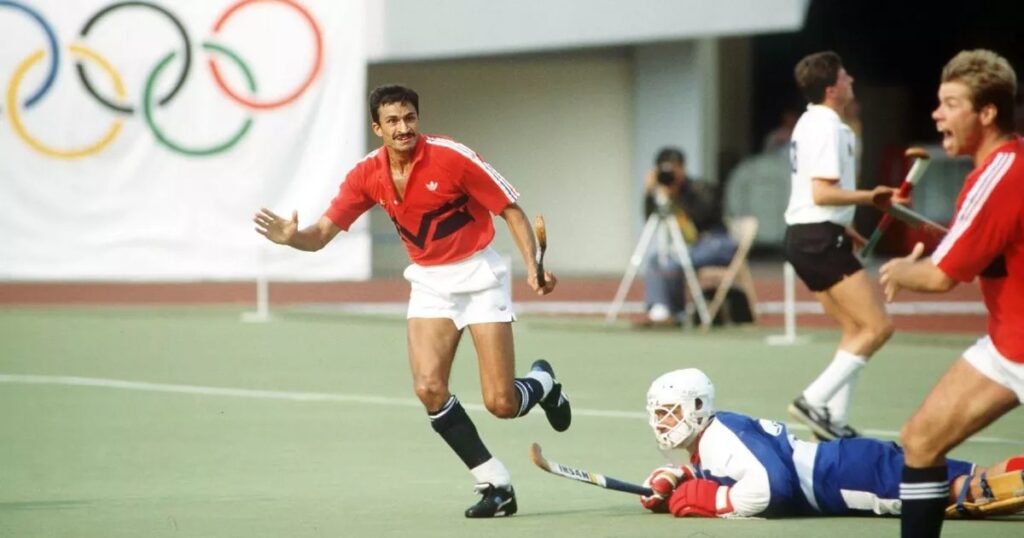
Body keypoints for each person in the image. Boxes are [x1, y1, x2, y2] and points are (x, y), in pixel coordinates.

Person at [252, 84, 572, 518]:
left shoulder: (452, 157)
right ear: (377, 128)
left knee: (501, 403)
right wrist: (293, 238)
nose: (403, 128)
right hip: (429, 283)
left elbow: (510, 211)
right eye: (392, 121)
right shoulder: (367, 174)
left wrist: (533, 267)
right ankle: (495, 484)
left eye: (409, 118)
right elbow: (321, 235)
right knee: (428, 388)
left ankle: (543, 383)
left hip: (479, 276)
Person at [878, 49, 1024, 538]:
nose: (937, 114)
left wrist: (902, 269)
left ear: (987, 113)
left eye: (951, 103)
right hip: (1007, 346)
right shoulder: (1005, 166)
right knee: (921, 440)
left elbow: (942, 277)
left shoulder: (1000, 174)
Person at [637, 368, 1024, 519]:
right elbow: (732, 470)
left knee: (969, 494)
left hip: (848, 477)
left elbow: (773, 487)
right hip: (851, 462)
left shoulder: (719, 436)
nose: (661, 422)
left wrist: (715, 500)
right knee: (979, 476)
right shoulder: (717, 434)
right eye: (658, 414)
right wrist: (682, 477)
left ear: (698, 407)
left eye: (669, 412)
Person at [783, 51, 900, 440]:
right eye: (845, 76)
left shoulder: (809, 121)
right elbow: (822, 193)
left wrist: (844, 225)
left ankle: (832, 418)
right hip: (818, 237)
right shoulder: (828, 126)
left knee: (855, 328)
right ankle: (813, 400)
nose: (851, 80)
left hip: (807, 236)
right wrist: (873, 197)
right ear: (832, 88)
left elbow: (812, 194)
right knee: (878, 327)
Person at [641, 147, 737, 325]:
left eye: (673, 168)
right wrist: (649, 194)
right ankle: (659, 310)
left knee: (673, 262)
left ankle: (676, 313)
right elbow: (651, 219)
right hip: (692, 247)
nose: (670, 175)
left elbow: (700, 218)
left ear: (682, 167)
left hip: (715, 243)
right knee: (656, 259)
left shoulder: (700, 188)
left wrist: (676, 195)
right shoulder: (663, 192)